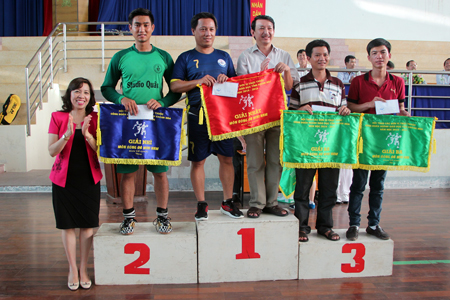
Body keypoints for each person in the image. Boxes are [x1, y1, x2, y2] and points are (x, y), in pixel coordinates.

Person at [101, 8, 181, 235]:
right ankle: (128, 218)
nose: (141, 29)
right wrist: (121, 98)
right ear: (130, 28)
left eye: (146, 25)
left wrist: (163, 103)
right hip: (129, 122)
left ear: (152, 28)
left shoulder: (164, 57)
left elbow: (174, 90)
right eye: (137, 25)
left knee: (160, 172)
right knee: (128, 173)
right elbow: (107, 88)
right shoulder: (120, 57)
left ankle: (162, 216)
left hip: (156, 123)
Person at [170, 12, 243, 220]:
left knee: (227, 159)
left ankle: (228, 202)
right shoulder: (185, 58)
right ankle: (201, 204)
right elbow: (175, 86)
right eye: (203, 29)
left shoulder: (224, 57)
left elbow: (236, 87)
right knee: (198, 161)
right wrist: (198, 81)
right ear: (193, 31)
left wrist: (226, 79)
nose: (207, 33)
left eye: (211, 29)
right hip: (197, 116)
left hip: (222, 118)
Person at [346, 38, 410, 241]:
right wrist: (368, 104)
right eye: (375, 53)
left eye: (383, 52)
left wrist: (403, 114)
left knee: (378, 185)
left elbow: (399, 109)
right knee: (358, 184)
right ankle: (354, 224)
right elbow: (351, 108)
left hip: (384, 142)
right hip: (363, 140)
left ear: (389, 56)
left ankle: (373, 224)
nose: (379, 56)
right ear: (369, 57)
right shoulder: (358, 82)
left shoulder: (398, 82)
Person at [236, 15, 299, 218]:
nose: (266, 32)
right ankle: (256, 203)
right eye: (261, 28)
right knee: (255, 161)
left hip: (277, 115)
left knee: (275, 160)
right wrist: (260, 77)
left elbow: (290, 86)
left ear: (274, 31)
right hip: (254, 116)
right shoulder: (245, 57)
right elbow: (242, 90)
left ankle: (272, 202)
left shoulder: (284, 55)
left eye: (269, 28)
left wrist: (287, 70)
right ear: (252, 32)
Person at [289, 39, 350, 242]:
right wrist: (299, 111)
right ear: (308, 58)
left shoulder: (339, 85)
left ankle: (325, 226)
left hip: (330, 147)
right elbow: (291, 113)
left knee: (329, 190)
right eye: (317, 55)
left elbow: (344, 110)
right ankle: (301, 227)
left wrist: (345, 111)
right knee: (303, 190)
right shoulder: (300, 84)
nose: (321, 58)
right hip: (306, 146)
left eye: (325, 54)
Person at [48, 77, 103, 290]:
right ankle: (72, 268)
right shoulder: (58, 116)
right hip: (63, 180)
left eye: (86, 92)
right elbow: (52, 151)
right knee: (68, 225)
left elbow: (103, 150)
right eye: (77, 91)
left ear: (91, 97)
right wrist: (67, 135)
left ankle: (83, 268)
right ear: (69, 94)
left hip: (89, 179)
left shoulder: (97, 117)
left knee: (88, 225)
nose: (82, 96)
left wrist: (87, 136)